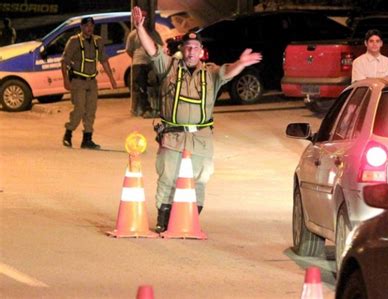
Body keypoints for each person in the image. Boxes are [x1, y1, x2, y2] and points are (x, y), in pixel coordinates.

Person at [132, 6, 262, 233]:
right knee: (168, 178)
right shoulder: (169, 68)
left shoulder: (211, 73)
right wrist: (140, 28)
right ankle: (164, 219)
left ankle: (190, 218)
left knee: (200, 180)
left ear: (202, 52)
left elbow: (228, 71)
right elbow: (152, 51)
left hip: (201, 138)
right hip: (172, 135)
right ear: (182, 50)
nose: (191, 52)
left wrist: (241, 63)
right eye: (188, 47)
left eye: (195, 48)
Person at [61, 17, 117, 149]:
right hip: (78, 81)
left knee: (91, 110)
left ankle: (87, 139)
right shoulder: (74, 41)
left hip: (91, 81)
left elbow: (104, 60)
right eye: (86, 26)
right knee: (79, 109)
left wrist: (112, 78)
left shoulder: (98, 41)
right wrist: (66, 80)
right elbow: (64, 62)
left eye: (91, 25)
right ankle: (68, 133)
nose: (89, 28)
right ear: (81, 27)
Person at [126, 9, 158, 118]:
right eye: (141, 17)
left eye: (145, 17)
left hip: (152, 63)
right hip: (138, 64)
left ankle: (157, 108)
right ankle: (145, 109)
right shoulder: (132, 35)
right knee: (140, 88)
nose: (143, 19)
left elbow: (159, 47)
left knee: (158, 84)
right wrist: (136, 59)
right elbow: (129, 50)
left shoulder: (152, 33)